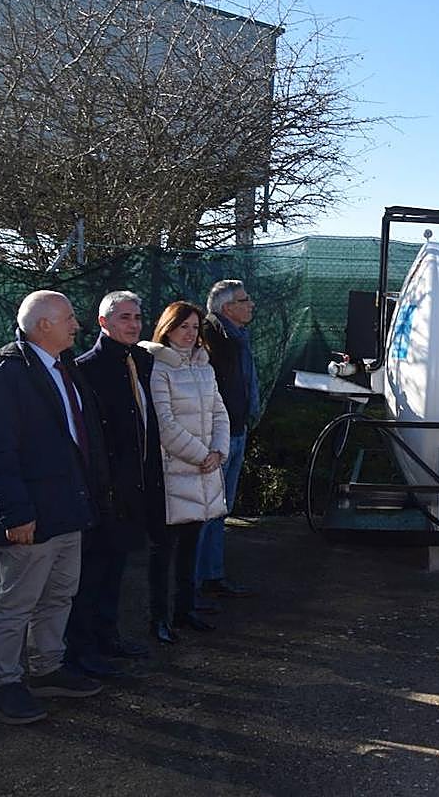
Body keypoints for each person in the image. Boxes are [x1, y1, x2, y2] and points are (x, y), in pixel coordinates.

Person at [0, 290, 108, 724]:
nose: (76, 325)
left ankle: (47, 667)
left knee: (59, 594)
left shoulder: (63, 368)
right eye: (68, 317)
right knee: (16, 602)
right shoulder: (1, 374)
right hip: (30, 514)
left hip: (67, 507)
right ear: (42, 325)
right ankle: (3, 684)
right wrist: (15, 514)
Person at [67, 291, 163, 673]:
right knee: (91, 572)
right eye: (125, 317)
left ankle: (108, 636)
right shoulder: (85, 368)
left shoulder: (140, 360)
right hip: (103, 491)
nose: (134, 324)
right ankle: (82, 648)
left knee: (116, 569)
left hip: (134, 486)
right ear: (104, 322)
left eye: (138, 317)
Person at [139, 301, 230, 642]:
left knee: (191, 548)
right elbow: (164, 423)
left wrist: (219, 450)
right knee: (163, 550)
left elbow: (220, 412)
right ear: (168, 328)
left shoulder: (205, 367)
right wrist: (201, 454)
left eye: (195, 328)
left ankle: (185, 610)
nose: (191, 334)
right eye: (183, 327)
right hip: (172, 472)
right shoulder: (157, 368)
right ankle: (158, 618)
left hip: (203, 470)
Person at [198, 279, 257, 600]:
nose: (251, 305)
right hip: (215, 440)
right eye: (245, 300)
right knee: (207, 511)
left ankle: (212, 575)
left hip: (236, 430)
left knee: (220, 510)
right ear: (227, 308)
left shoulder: (236, 337)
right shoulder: (210, 338)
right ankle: (194, 583)